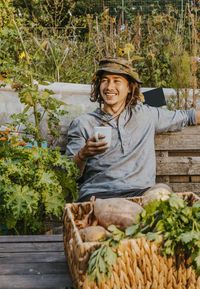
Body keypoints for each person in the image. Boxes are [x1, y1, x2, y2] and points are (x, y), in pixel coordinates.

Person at [66, 57, 200, 202]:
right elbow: (69, 175)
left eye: (117, 81)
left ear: (130, 87)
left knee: (163, 191)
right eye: (105, 80)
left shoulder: (146, 115)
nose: (109, 87)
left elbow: (188, 116)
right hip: (100, 196)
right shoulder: (83, 123)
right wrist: (83, 154)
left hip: (141, 195)